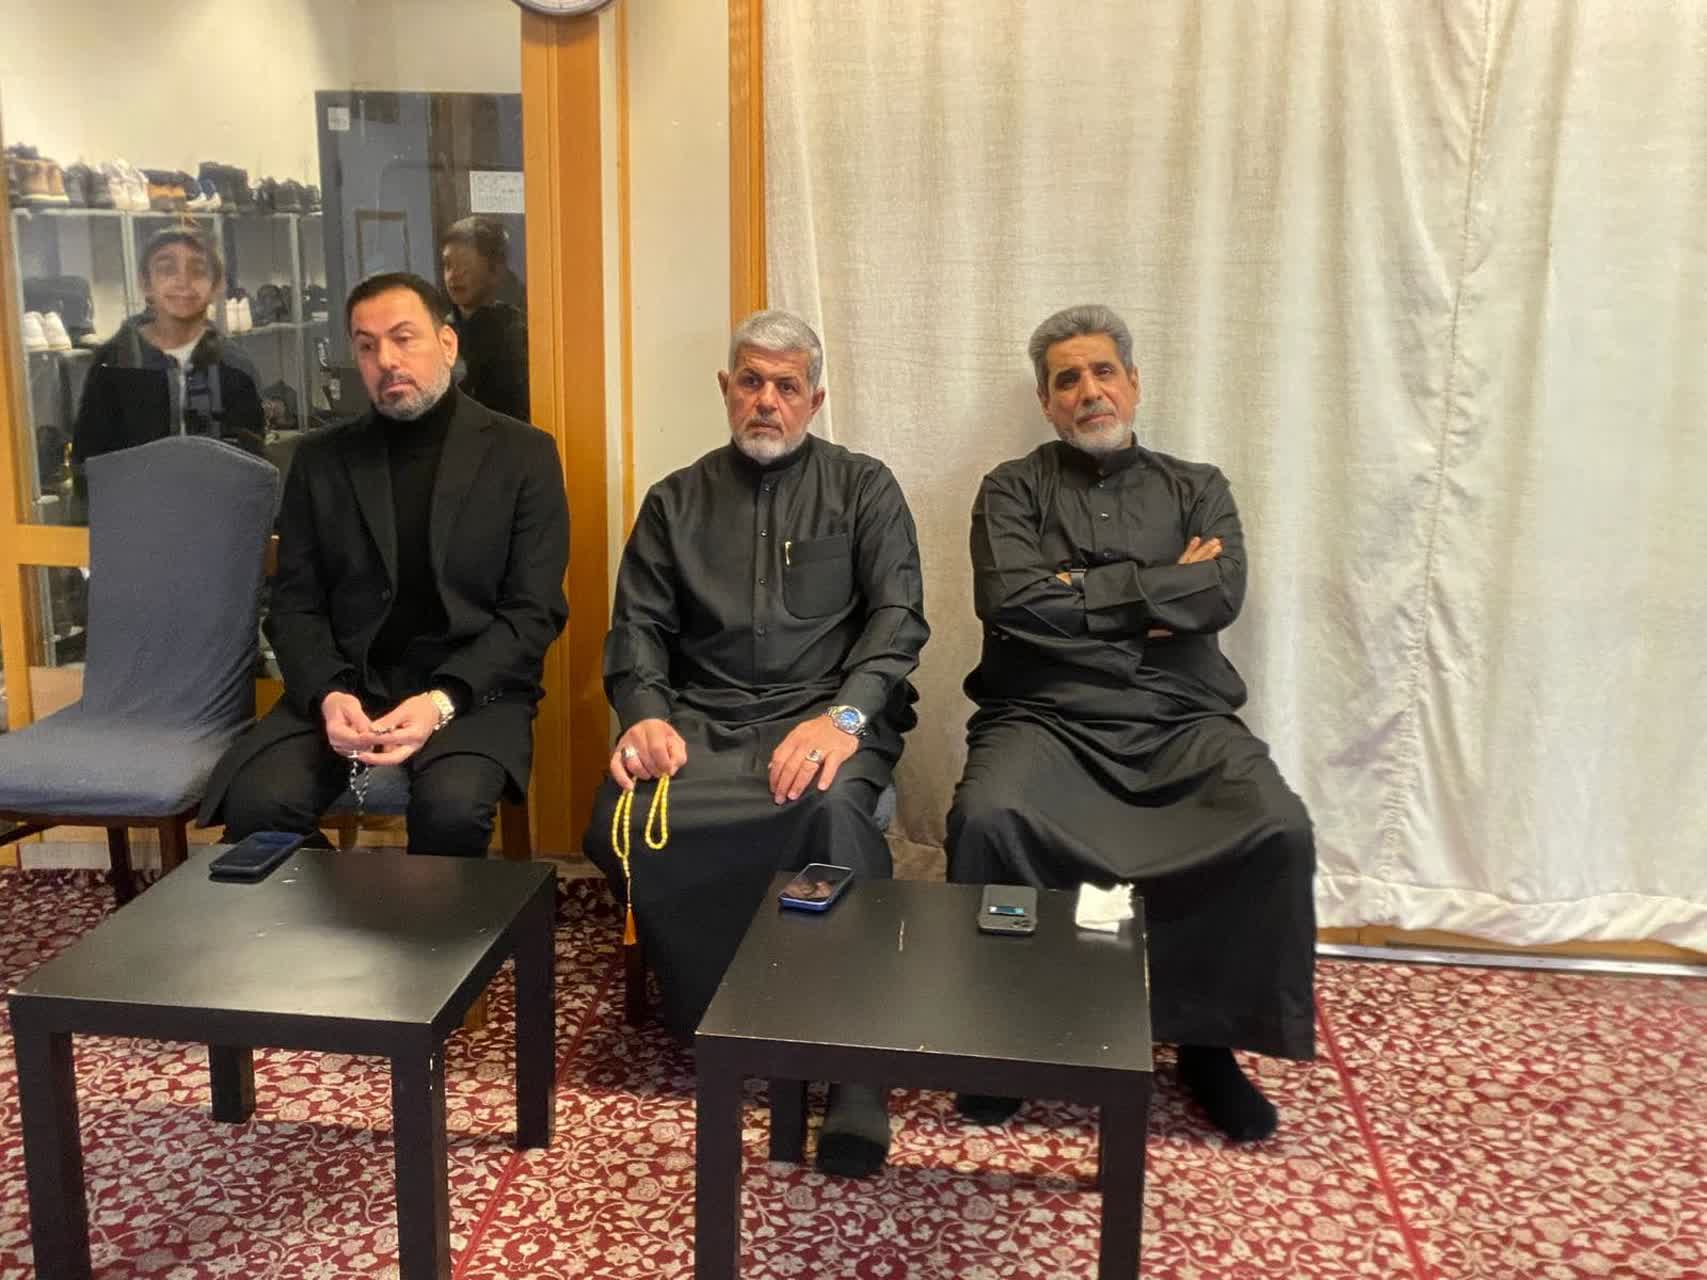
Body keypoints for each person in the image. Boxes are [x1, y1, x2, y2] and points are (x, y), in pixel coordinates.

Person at [946, 304, 1315, 1142]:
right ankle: (1001, 1042)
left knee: (1274, 827)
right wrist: (1159, 591)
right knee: (989, 818)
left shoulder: (1198, 486)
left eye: (1102, 371)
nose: (1088, 391)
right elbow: (1010, 603)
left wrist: (1078, 590)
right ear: (1045, 402)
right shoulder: (1010, 489)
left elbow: (1219, 594)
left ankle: (1207, 1041)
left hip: (1180, 715)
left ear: (1134, 383)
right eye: (1067, 379)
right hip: (1044, 715)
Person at [584, 308, 929, 1177]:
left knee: (833, 814)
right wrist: (644, 715)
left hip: (825, 717)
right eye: (750, 381)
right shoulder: (675, 500)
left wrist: (842, 720)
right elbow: (637, 632)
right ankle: (720, 1012)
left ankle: (853, 1068)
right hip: (701, 719)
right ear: (725, 388)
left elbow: (897, 621)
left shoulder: (864, 488)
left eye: (785, 385)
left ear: (815, 398)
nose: (766, 401)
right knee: (621, 815)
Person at [201, 272, 569, 857]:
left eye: (403, 338)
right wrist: (327, 694)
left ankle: (418, 921)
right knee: (257, 804)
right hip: (348, 684)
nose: (386, 360)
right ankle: (348, 912)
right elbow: (294, 605)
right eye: (367, 346)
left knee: (451, 812)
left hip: (468, 690)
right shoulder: (320, 459)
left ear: (447, 343)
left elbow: (534, 611)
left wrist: (440, 701)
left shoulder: (523, 455)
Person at [72, 227, 265, 482]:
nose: (183, 281)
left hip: (215, 504)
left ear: (217, 285)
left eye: (198, 271)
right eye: (167, 269)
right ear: (146, 283)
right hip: (134, 505)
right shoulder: (115, 365)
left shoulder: (236, 367)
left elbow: (252, 468)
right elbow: (88, 465)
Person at [440, 216, 529, 421]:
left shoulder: (515, 333)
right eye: (448, 265)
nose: (453, 275)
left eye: (465, 265)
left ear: (496, 271)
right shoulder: (439, 329)